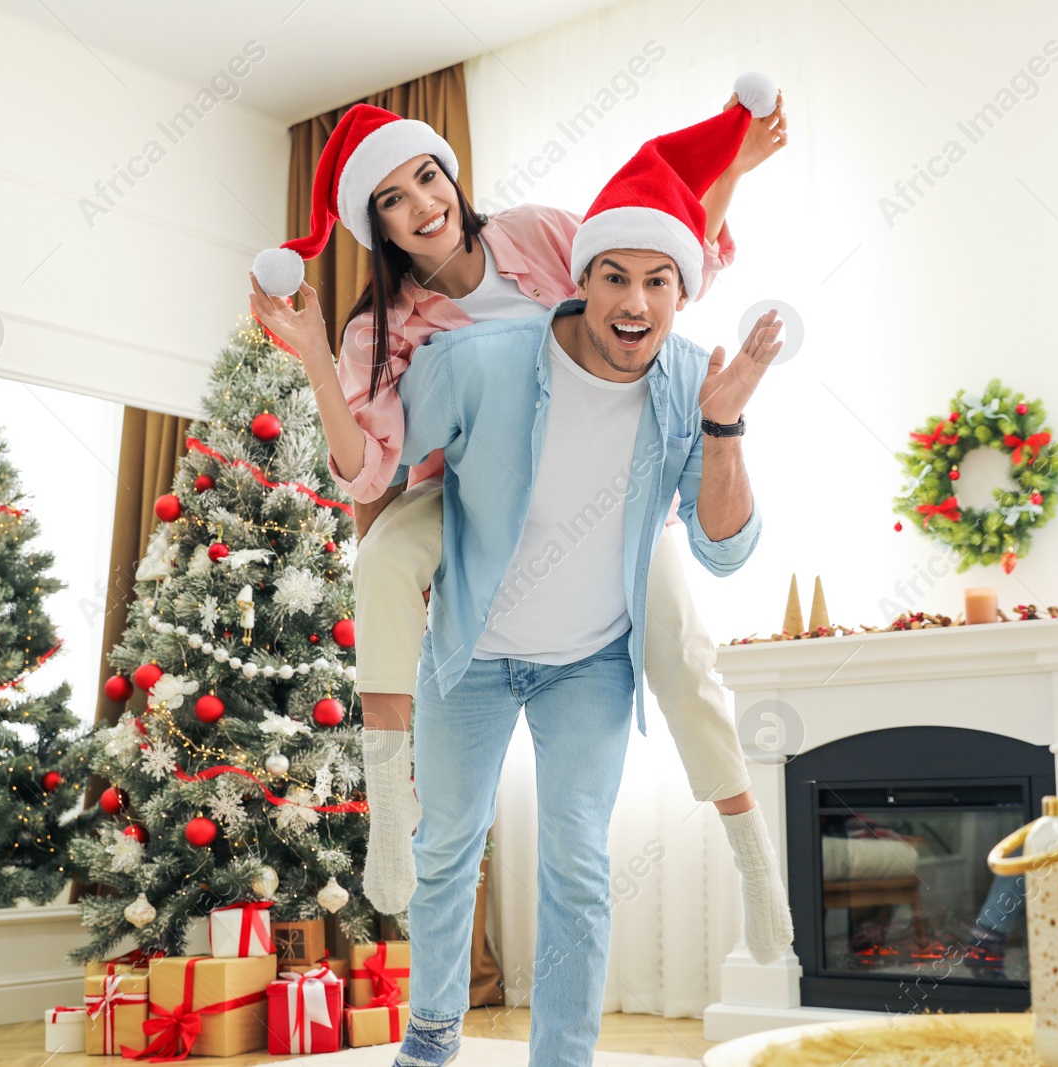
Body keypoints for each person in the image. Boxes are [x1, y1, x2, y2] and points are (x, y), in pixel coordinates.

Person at [248, 76, 795, 966]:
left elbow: (653, 264)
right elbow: (367, 467)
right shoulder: (379, 332)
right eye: (393, 198)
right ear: (375, 224)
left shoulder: (542, 233)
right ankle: (393, 810)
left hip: (606, 491)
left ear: (452, 178)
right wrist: (315, 356)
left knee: (681, 656)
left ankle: (752, 857)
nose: (421, 204)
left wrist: (730, 165)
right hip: (473, 494)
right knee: (382, 555)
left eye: (428, 178)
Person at [383, 108, 782, 1065]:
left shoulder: (691, 379)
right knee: (445, 851)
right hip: (472, 652)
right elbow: (379, 464)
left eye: (657, 281)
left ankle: (563, 1056)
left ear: (683, 294)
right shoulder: (479, 359)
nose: (633, 300)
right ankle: (431, 1034)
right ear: (582, 279)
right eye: (614, 276)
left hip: (589, 662)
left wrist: (723, 428)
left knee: (577, 867)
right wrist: (402, 555)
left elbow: (727, 551)